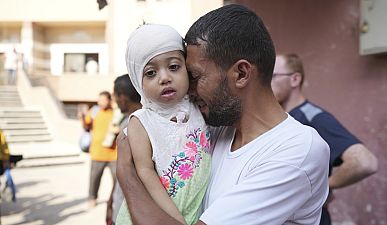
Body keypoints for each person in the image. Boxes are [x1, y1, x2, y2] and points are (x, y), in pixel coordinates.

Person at [116, 4, 330, 225]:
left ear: (241, 73)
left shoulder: (297, 151)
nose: (187, 89)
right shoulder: (212, 131)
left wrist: (126, 174)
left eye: (195, 76)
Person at [116, 24, 212, 225]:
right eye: (151, 73)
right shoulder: (140, 122)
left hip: (195, 212)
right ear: (137, 81)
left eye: (174, 67)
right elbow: (145, 173)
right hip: (158, 215)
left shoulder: (198, 107)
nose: (165, 78)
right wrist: (176, 220)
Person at [271, 53, 378, 225]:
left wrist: (323, 187)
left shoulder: (314, 117)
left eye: (273, 75)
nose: (265, 81)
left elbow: (365, 162)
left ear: (295, 79)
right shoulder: (281, 119)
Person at [106, 74, 141, 225]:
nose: (114, 101)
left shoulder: (134, 126)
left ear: (122, 97)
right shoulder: (129, 122)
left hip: (129, 214)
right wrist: (111, 199)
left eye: (114, 96)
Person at [79, 91, 117, 208]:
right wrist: (82, 117)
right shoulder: (94, 111)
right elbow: (86, 125)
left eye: (103, 100)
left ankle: (115, 199)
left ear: (109, 100)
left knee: (117, 180)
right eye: (99, 100)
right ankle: (92, 197)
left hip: (114, 154)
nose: (100, 102)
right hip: (97, 153)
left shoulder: (116, 113)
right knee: (94, 179)